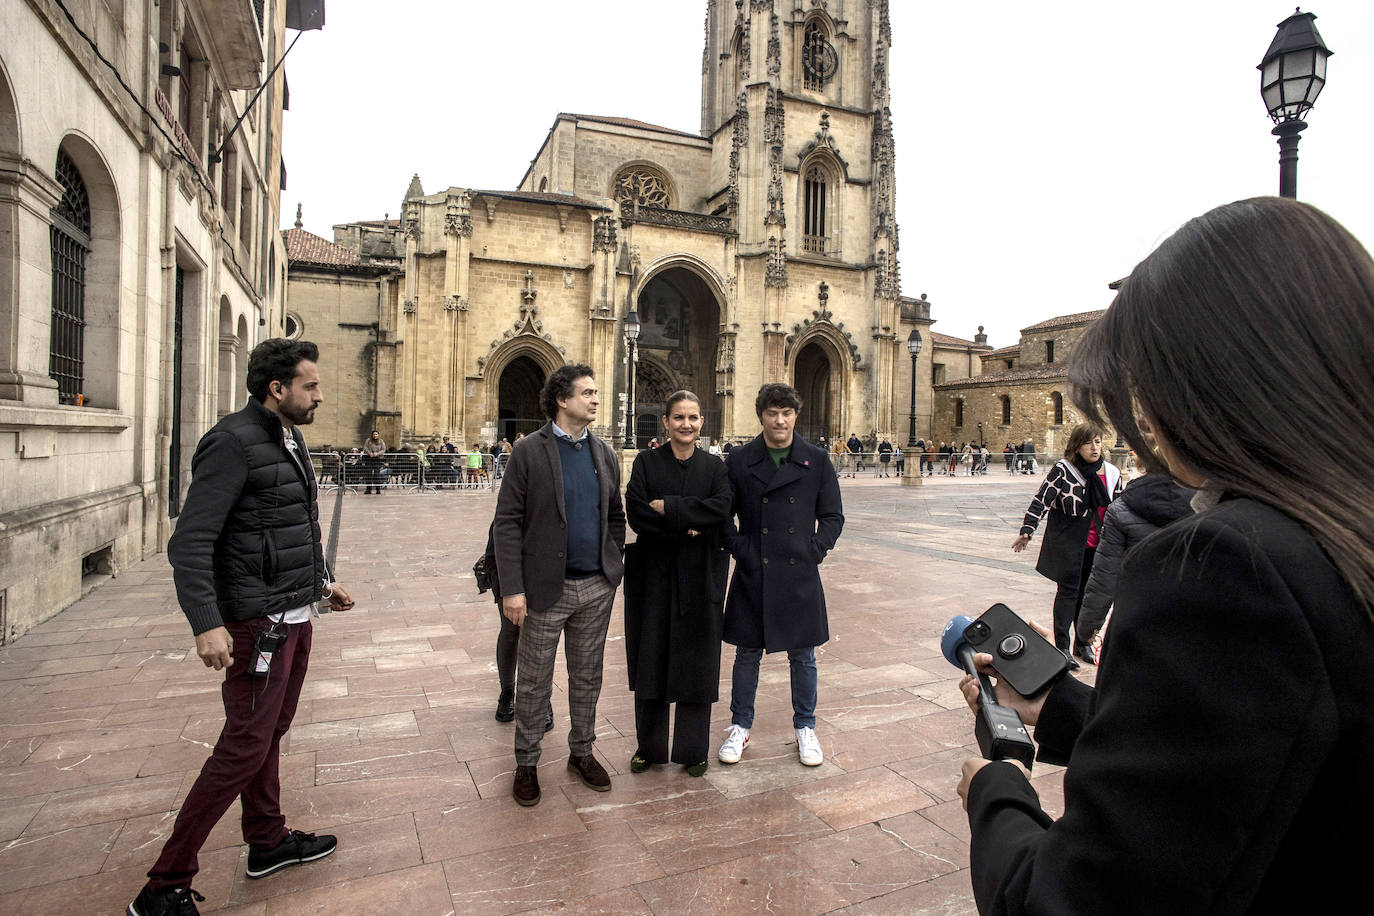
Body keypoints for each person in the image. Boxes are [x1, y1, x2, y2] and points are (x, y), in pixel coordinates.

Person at [958, 197, 1374, 913]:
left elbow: (1073, 901)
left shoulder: (1230, 569)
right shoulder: (1338, 538)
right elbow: (1255, 746)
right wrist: (1058, 707)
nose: (1142, 421)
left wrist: (994, 794)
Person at [127, 340, 354, 916]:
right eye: (310, 386)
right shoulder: (231, 442)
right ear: (276, 389)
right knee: (242, 746)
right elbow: (191, 541)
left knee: (268, 733)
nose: (319, 395)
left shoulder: (288, 438)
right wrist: (207, 624)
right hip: (258, 624)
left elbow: (290, 521)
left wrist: (321, 582)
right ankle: (163, 884)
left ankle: (267, 840)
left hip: (295, 613)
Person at [493, 364, 626, 806]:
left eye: (595, 392)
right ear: (562, 400)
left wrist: (612, 564)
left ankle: (582, 752)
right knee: (533, 681)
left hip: (595, 587)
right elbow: (507, 524)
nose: (594, 399)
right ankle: (527, 762)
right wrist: (513, 589)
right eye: (587, 393)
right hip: (544, 589)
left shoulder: (604, 453)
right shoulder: (529, 451)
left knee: (587, 676)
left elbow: (615, 515)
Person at [719, 383, 844, 768]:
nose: (780, 419)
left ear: (795, 415)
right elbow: (722, 516)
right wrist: (744, 552)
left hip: (798, 572)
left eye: (786, 412)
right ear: (762, 416)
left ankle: (806, 727)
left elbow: (833, 517)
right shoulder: (739, 460)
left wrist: (813, 551)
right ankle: (740, 725)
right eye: (772, 412)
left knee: (803, 655)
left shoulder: (816, 459)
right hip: (756, 570)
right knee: (747, 653)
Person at [623, 391, 732, 777]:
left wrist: (669, 507)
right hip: (654, 573)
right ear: (667, 422)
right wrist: (689, 525)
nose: (687, 424)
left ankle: (693, 750)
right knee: (651, 655)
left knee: (697, 660)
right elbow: (636, 512)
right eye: (679, 417)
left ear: (702, 422)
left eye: (694, 417)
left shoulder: (715, 468)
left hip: (701, 574)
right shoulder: (646, 463)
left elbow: (721, 509)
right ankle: (648, 748)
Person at [1012, 423, 1122, 666]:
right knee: (1068, 592)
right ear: (1076, 445)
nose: (1094, 447)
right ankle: (1062, 645)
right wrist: (1027, 531)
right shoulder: (1064, 470)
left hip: (1098, 543)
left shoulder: (1112, 472)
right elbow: (1042, 499)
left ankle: (1082, 643)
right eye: (1088, 443)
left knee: (1088, 594)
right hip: (1069, 540)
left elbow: (1119, 509)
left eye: (1097, 442)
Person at [1074, 449, 1194, 658]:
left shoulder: (1122, 508)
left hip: (1136, 615)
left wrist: (1087, 626)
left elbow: (1104, 576)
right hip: (1188, 617)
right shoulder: (1205, 506)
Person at [362, 429, 386, 493]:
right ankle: (368, 489)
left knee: (377, 475)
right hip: (369, 458)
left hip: (377, 459)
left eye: (376, 434)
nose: (375, 435)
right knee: (368, 474)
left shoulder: (381, 441)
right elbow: (365, 447)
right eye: (374, 434)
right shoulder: (368, 440)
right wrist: (369, 453)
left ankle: (378, 489)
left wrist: (377, 453)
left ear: (378, 435)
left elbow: (383, 449)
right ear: (372, 435)